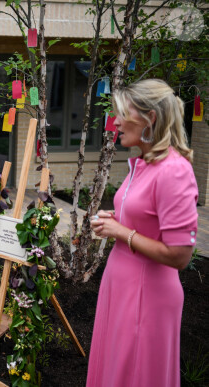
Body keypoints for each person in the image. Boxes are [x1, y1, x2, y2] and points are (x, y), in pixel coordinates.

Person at [88, 79, 198, 387]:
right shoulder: (145, 164)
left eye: (123, 114)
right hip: (122, 288)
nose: (117, 122)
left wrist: (122, 232)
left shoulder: (173, 170)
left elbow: (180, 255)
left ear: (150, 118)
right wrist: (114, 220)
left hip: (146, 295)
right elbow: (145, 219)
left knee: (134, 374)